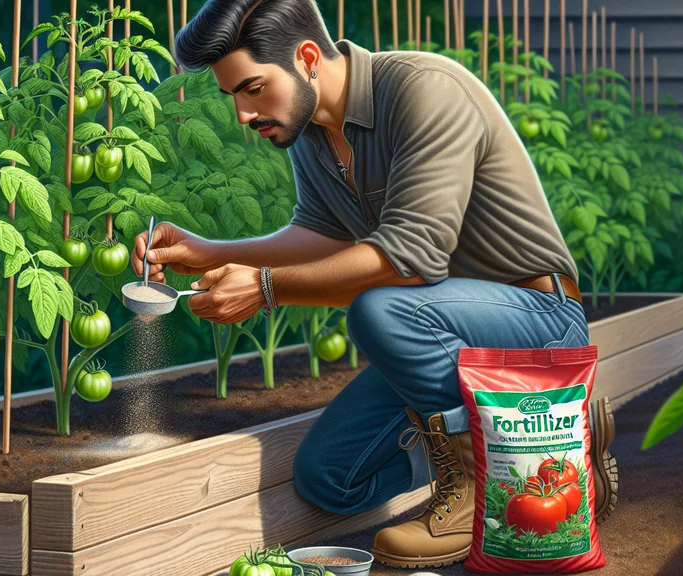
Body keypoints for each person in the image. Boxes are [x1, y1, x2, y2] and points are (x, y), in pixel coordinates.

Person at [134, 0, 618, 568]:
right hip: (447, 342)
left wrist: (265, 287)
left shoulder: (423, 90)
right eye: (234, 96)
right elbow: (322, 238)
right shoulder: (312, 132)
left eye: (253, 89)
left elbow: (411, 261)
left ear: (307, 58)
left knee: (380, 310)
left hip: (536, 320)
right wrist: (210, 253)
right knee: (329, 476)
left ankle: (480, 491)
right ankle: (547, 449)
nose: (244, 113)